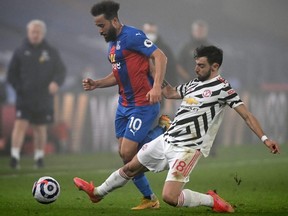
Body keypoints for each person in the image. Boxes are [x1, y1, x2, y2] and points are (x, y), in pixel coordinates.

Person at [74, 45, 280, 213]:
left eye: (201, 65)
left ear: (215, 66)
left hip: (188, 149)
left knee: (170, 198)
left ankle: (211, 201)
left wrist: (264, 139)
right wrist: (153, 71)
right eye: (196, 65)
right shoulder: (193, 84)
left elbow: (247, 115)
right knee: (129, 167)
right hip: (167, 139)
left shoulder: (223, 89)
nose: (196, 69)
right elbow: (170, 92)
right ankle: (97, 193)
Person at [82, 1, 167, 210]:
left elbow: (160, 56)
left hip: (142, 104)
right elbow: (119, 74)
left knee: (129, 153)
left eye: (102, 26)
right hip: (124, 105)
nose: (100, 31)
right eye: (97, 27)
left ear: (114, 21)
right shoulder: (112, 43)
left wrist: (156, 88)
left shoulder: (133, 36)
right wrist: (98, 83)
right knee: (125, 154)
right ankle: (150, 199)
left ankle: (164, 131)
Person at [7, 20, 66, 169]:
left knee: (40, 128)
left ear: (42, 34)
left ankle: (39, 157)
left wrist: (56, 83)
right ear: (28, 33)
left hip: (44, 98)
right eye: (33, 32)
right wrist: (19, 88)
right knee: (20, 125)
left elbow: (61, 71)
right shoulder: (20, 51)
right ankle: (14, 156)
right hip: (24, 98)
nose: (35, 34)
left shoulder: (51, 52)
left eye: (38, 32)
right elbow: (11, 74)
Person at [143, 22, 179, 116]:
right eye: (147, 31)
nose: (150, 34)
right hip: (140, 92)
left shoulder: (165, 49)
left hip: (160, 93)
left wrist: (169, 98)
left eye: (151, 31)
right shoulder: (136, 48)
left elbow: (172, 73)